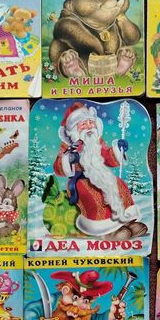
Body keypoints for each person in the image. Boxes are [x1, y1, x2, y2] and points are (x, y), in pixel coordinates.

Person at [53, 102, 147, 239]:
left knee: (120, 186)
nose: (89, 126)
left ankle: (125, 220)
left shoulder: (96, 142)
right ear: (74, 129)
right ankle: (108, 231)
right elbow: (58, 167)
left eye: (91, 122)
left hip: (102, 174)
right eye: (83, 124)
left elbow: (108, 156)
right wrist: (69, 159)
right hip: (81, 181)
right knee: (94, 197)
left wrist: (118, 150)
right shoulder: (68, 146)